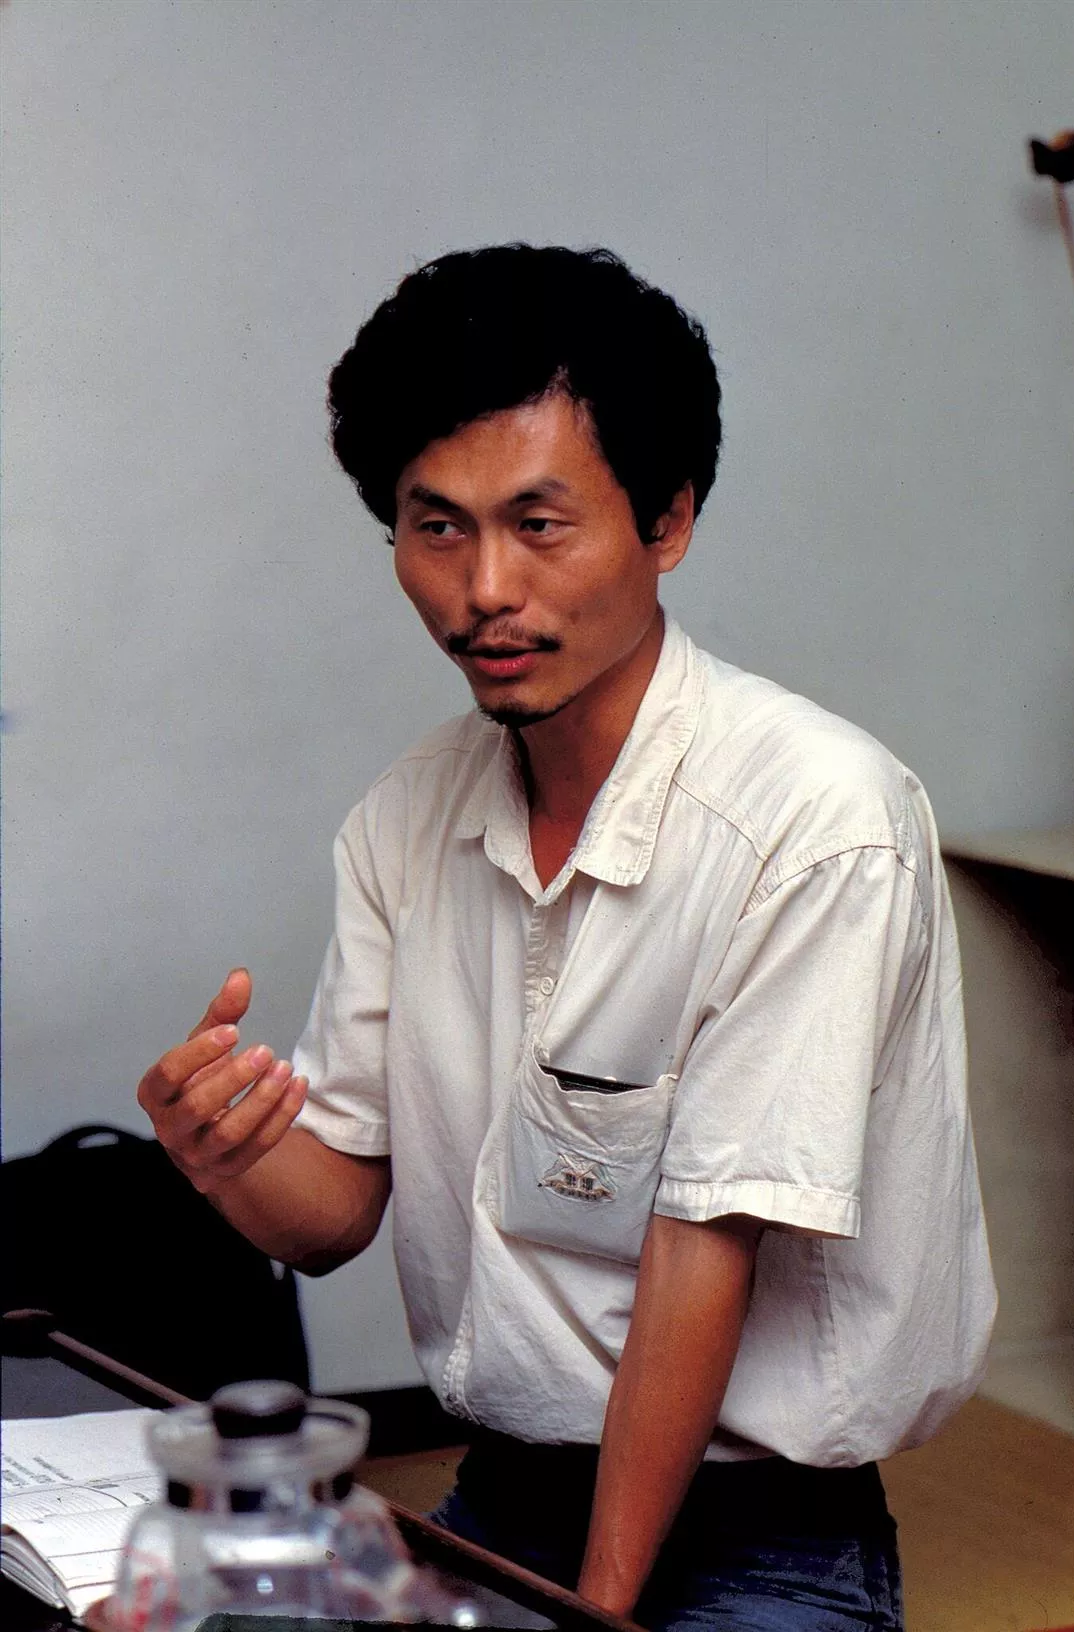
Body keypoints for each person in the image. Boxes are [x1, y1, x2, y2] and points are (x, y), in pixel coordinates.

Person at [138, 245, 996, 1631]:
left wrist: (593, 1614)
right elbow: (334, 1214)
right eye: (436, 527)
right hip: (503, 1506)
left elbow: (704, 1252)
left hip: (762, 1537)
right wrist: (221, 1150)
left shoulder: (819, 819)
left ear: (669, 521)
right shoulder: (406, 818)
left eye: (539, 525)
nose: (484, 588)